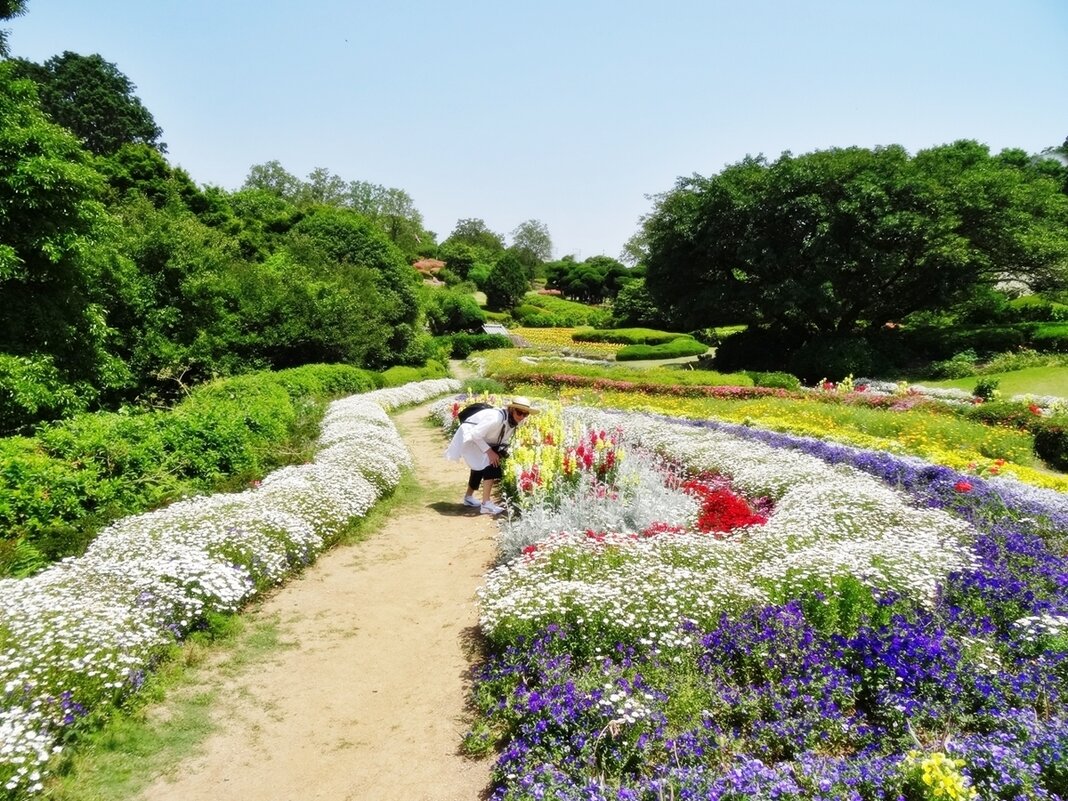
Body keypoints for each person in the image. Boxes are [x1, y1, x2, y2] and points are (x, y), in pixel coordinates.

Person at [444, 396, 537, 515]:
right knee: (491, 462)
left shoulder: (513, 420)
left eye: (526, 414)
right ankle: (486, 504)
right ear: (512, 410)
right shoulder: (496, 418)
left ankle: (468, 498)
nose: (522, 417)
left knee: (484, 463)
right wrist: (490, 452)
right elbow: (475, 434)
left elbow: (504, 438)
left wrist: (501, 450)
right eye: (519, 413)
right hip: (469, 436)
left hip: (482, 438)